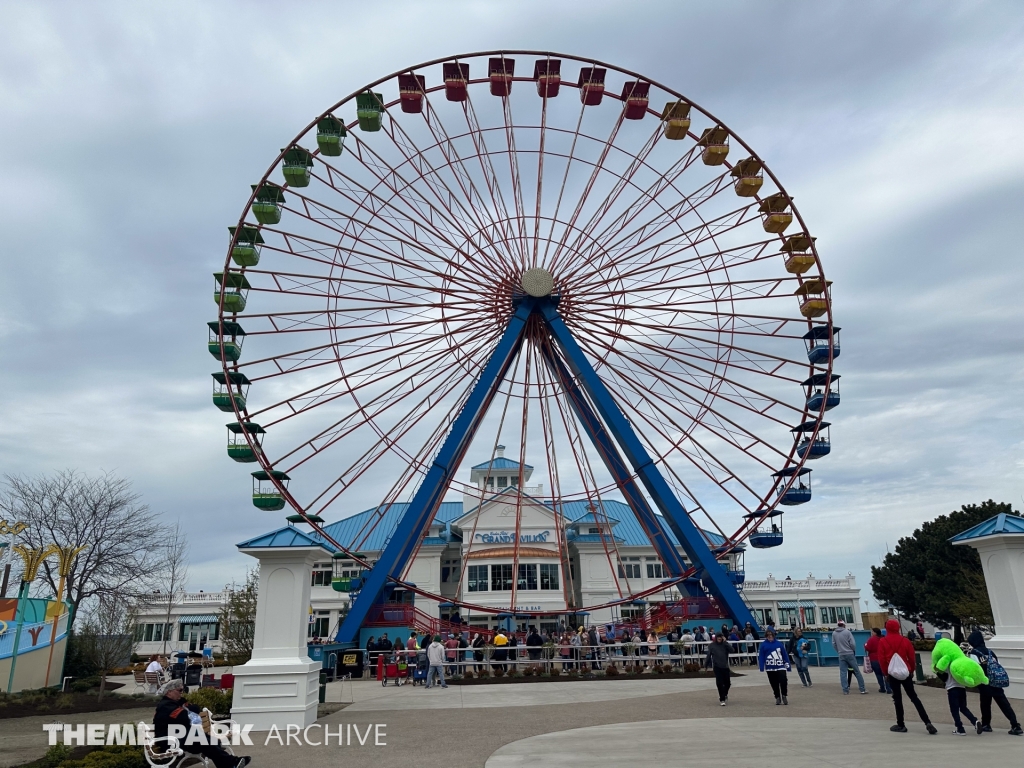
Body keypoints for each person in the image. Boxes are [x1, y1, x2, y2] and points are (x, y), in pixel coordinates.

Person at [153, 679, 250, 768]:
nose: (182, 693)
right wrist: (188, 710)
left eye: (182, 690)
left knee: (206, 740)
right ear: (169, 692)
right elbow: (185, 717)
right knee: (204, 740)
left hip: (182, 737)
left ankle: (230, 763)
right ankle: (231, 762)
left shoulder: (177, 704)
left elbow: (195, 708)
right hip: (171, 741)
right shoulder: (165, 706)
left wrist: (188, 710)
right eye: (179, 690)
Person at [878, 618, 937, 734]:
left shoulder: (883, 641)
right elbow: (911, 657)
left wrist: (886, 673)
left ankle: (901, 724)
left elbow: (882, 660)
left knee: (897, 699)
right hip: (906, 672)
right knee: (914, 697)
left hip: (893, 674)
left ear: (887, 628)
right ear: (898, 628)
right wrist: (911, 670)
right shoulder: (905, 641)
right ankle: (927, 721)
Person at [966, 630, 1023, 735]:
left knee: (985, 704)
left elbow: (975, 668)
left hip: (984, 682)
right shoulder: (990, 652)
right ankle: (1015, 725)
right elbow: (998, 664)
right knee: (1004, 704)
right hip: (995, 681)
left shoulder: (974, 653)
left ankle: (986, 725)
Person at [936, 645, 980, 736]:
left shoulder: (947, 663)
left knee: (954, 710)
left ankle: (960, 728)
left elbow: (944, 677)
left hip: (952, 689)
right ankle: (975, 721)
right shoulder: (961, 663)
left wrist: (937, 671)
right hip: (962, 688)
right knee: (963, 708)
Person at [757, 627, 791, 705]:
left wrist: (788, 665)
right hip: (770, 668)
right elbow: (761, 656)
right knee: (774, 683)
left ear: (774, 635)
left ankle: (784, 695)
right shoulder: (763, 645)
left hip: (780, 666)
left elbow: (784, 655)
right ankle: (777, 697)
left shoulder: (779, 644)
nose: (770, 636)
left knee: (783, 681)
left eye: (771, 634)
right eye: (768, 634)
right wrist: (761, 666)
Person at [833, 619, 867, 694]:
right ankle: (862, 689)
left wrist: (839, 650)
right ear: (844, 625)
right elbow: (852, 643)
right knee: (857, 671)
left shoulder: (834, 633)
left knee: (843, 672)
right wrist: (852, 650)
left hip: (841, 654)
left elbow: (834, 644)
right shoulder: (847, 632)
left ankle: (845, 690)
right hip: (849, 653)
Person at [704, 632, 732, 706]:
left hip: (725, 666)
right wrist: (705, 665)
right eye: (718, 637)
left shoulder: (725, 645)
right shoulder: (712, 646)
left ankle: (725, 694)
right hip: (717, 667)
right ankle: (722, 699)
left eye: (721, 637)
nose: (719, 638)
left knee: (728, 683)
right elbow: (708, 656)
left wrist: (726, 642)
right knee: (719, 683)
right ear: (716, 638)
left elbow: (732, 650)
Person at [864, 628, 891, 694]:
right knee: (886, 673)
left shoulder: (872, 639)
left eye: (872, 632)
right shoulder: (884, 639)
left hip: (874, 659)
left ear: (875, 633)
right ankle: (889, 688)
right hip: (884, 658)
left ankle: (882, 688)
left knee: (878, 674)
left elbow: (868, 647)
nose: (872, 633)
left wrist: (865, 645)